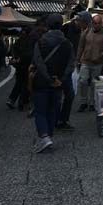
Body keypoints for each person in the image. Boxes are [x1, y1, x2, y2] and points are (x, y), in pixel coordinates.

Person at [30, 14, 74, 153]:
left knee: (40, 110)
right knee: (52, 109)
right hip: (59, 82)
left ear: (48, 25)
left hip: (42, 81)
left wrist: (48, 77)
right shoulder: (68, 44)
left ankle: (44, 136)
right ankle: (49, 135)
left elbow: (38, 61)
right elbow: (71, 64)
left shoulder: (41, 42)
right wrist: (60, 78)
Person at [76, 15, 103, 112]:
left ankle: (92, 102)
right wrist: (77, 59)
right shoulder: (86, 32)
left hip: (98, 62)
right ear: (92, 23)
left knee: (94, 83)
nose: (96, 25)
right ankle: (83, 101)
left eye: (98, 23)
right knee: (82, 81)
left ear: (101, 23)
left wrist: (101, 55)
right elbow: (80, 46)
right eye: (94, 23)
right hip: (85, 61)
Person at [7, 27, 34, 111]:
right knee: (26, 84)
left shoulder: (19, 40)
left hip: (19, 65)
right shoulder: (30, 41)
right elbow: (29, 53)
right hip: (27, 65)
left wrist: (16, 58)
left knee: (19, 83)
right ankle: (22, 103)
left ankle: (12, 100)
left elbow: (13, 50)